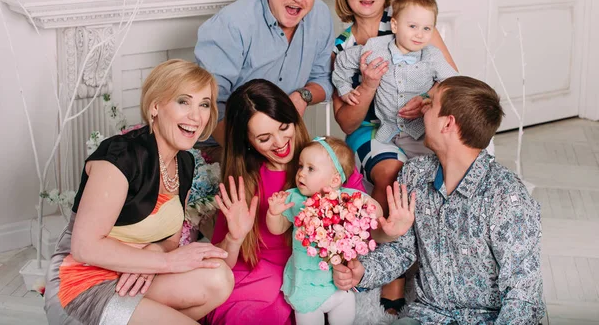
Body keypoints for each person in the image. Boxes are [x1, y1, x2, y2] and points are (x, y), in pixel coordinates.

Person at [333, 76, 546, 324]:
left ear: (447, 123)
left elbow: (524, 297)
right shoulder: (414, 174)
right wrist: (363, 271)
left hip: (486, 319)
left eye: (430, 104)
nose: (422, 109)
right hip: (428, 314)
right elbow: (402, 250)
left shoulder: (507, 198)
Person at [44, 60, 234, 325]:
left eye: (204, 104)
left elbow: (169, 240)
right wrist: (165, 264)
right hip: (82, 285)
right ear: (155, 106)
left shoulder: (185, 163)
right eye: (183, 101)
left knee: (219, 279)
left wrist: (153, 257)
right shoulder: (122, 156)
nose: (196, 115)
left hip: (131, 277)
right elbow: (85, 247)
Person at [332, 0, 458, 313]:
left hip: (419, 121)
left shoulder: (410, 21)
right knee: (393, 175)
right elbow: (347, 122)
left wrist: (427, 99)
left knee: (449, 167)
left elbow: (452, 81)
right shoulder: (344, 45)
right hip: (373, 128)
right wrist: (369, 85)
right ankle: (392, 277)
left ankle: (444, 261)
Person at [205, 79, 367, 325]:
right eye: (264, 138)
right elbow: (222, 261)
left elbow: (364, 229)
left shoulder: (330, 162)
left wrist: (356, 265)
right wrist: (234, 239)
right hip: (259, 277)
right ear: (247, 141)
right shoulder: (244, 182)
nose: (280, 143)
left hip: (315, 274)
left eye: (283, 127)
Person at [194, 0, 335, 156]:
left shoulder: (321, 16)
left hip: (281, 143)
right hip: (222, 144)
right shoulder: (231, 25)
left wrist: (302, 95)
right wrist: (248, 159)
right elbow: (211, 105)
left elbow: (323, 79)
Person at [266, 136, 414, 325]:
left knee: (345, 315)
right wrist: (274, 213)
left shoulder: (347, 198)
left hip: (338, 283)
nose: (301, 174)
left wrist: (383, 218)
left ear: (335, 179)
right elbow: (277, 229)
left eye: (310, 169)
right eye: (300, 166)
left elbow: (373, 209)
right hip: (306, 284)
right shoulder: (294, 199)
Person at [333, 0, 458, 148]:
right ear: (394, 25)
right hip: (386, 132)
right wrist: (344, 88)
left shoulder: (432, 56)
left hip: (423, 132)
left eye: (426, 28)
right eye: (412, 26)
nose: (420, 34)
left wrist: (427, 96)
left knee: (434, 163)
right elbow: (343, 61)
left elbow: (454, 81)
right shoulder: (375, 49)